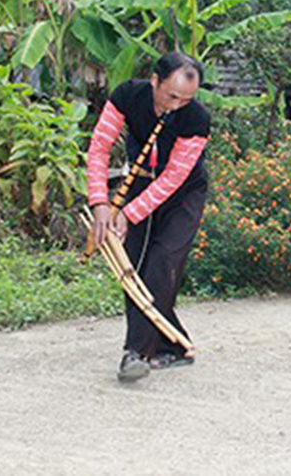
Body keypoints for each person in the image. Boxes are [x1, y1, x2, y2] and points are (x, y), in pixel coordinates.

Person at [86, 52, 211, 382]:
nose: (176, 106)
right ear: (155, 81)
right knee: (134, 265)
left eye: (186, 99)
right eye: (171, 96)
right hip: (139, 183)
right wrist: (100, 202)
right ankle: (173, 345)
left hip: (183, 193)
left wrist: (130, 213)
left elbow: (173, 178)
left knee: (163, 261)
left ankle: (136, 353)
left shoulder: (196, 118)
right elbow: (99, 148)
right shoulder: (128, 96)